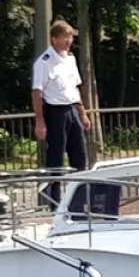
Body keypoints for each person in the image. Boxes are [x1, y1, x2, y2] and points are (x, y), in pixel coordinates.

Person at [31, 19, 91, 206]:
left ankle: (80, 200)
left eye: (70, 37)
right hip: (55, 111)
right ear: (54, 39)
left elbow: (75, 88)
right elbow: (37, 92)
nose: (68, 41)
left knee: (79, 155)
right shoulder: (44, 62)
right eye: (65, 37)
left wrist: (83, 113)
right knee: (56, 157)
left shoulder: (70, 59)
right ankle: (54, 203)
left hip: (72, 108)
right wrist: (40, 121)